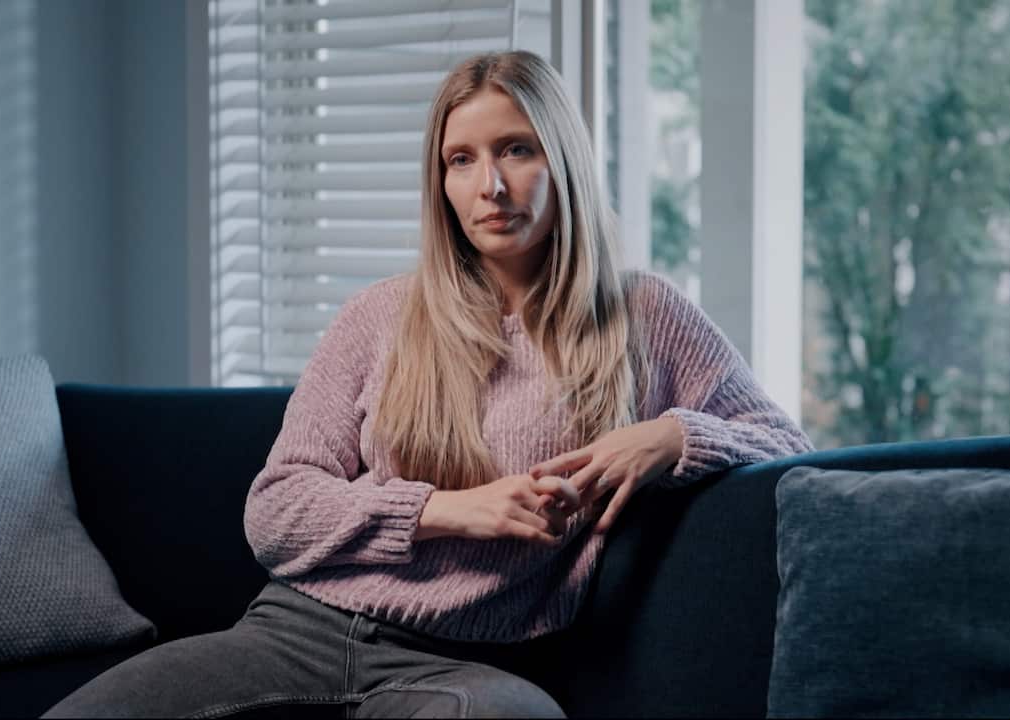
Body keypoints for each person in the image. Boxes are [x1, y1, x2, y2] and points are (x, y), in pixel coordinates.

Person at [44, 50, 812, 719]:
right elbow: (275, 511)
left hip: (472, 667)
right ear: (440, 181)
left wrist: (672, 434)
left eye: (517, 150)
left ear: (564, 160)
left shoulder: (642, 315)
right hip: (299, 629)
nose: (492, 187)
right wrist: (447, 511)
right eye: (462, 160)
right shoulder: (380, 315)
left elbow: (788, 446)